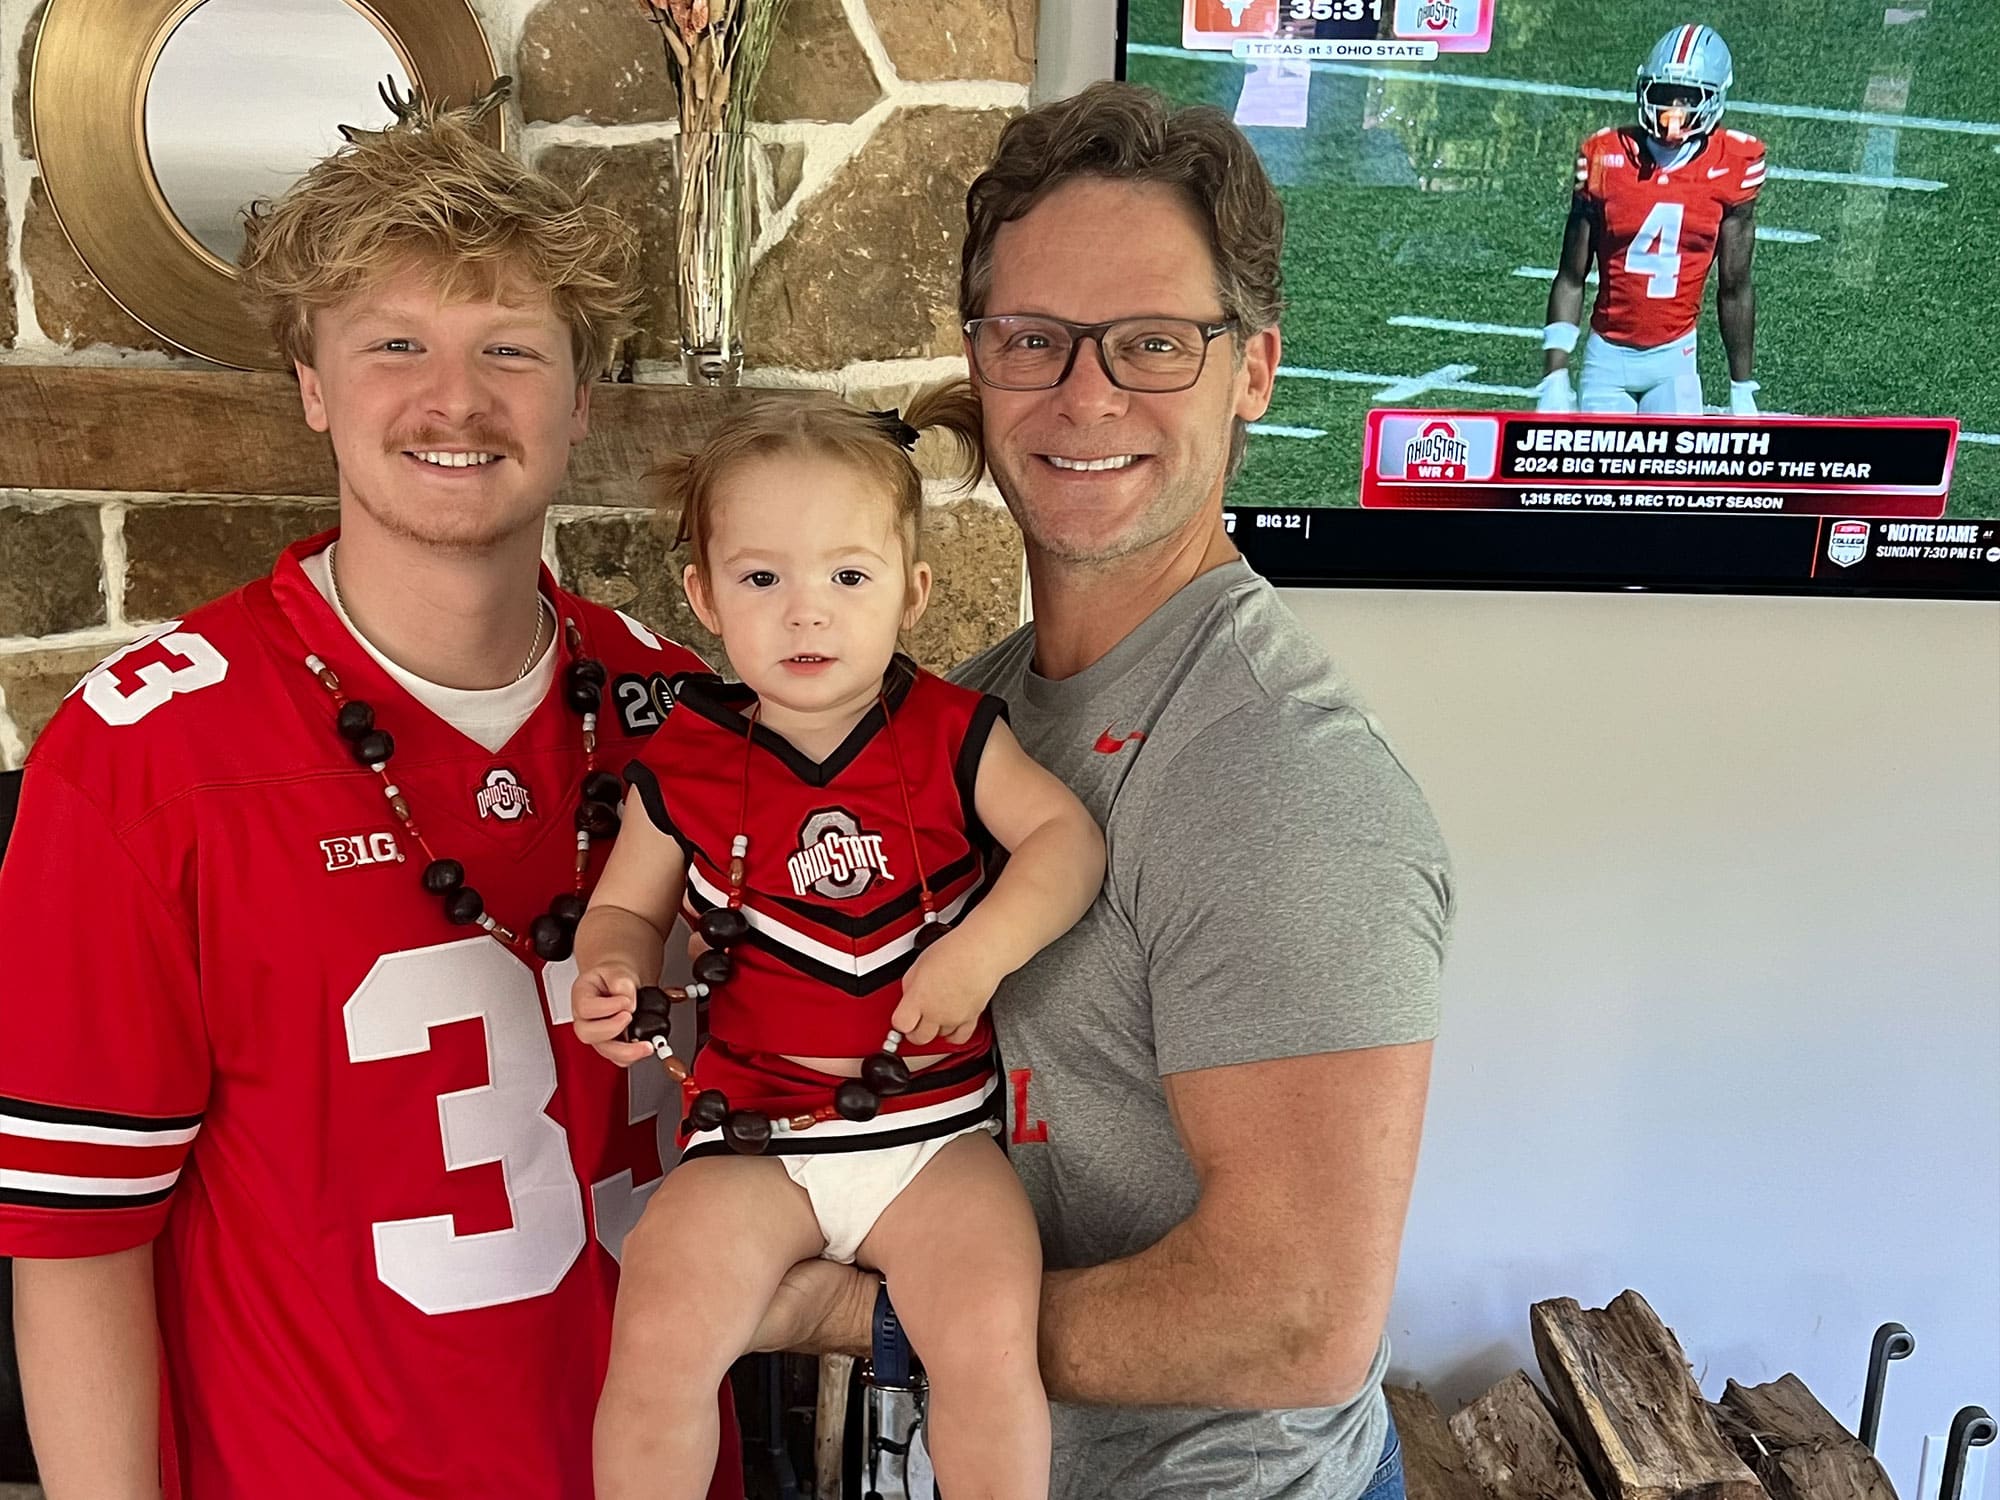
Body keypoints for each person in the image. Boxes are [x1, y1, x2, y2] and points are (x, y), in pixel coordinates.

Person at [0, 91, 741, 1499]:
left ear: (580, 403)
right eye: (395, 344)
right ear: (314, 388)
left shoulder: (685, 718)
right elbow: (79, 1240)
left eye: (509, 351)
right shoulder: (146, 760)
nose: (453, 399)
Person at [753, 81, 1455, 1500]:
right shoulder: (982, 704)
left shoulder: (1282, 777)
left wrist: (833, 1311)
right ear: (980, 357)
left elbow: (1298, 1323)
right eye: (1035, 341)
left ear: (1252, 369)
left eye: (1151, 344)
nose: (1086, 396)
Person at [573, 385, 1105, 1500]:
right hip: (753, 1138)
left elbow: (1065, 842)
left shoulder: (955, 734)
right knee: (658, 1329)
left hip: (932, 1136)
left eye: (846, 577)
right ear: (703, 596)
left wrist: (981, 951)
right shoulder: (683, 761)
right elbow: (626, 907)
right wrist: (612, 969)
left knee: (988, 1343)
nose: (805, 613)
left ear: (910, 594)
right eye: (762, 578)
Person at [1537, 23, 1765, 417]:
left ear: (1714, 97)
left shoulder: (1734, 163)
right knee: (1602, 475)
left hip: (1675, 359)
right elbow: (1571, 276)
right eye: (1662, 94)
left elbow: (1735, 286)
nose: (1673, 111)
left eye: (1687, 97)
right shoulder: (1604, 156)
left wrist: (1742, 387)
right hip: (1607, 358)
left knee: (1675, 476)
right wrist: (1554, 376)